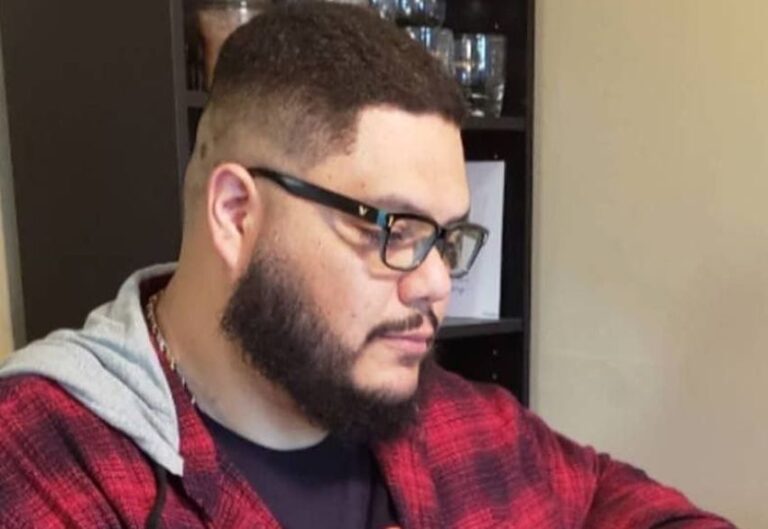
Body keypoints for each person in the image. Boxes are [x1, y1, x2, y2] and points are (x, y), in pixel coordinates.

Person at [0, 4, 734, 529]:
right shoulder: (49, 461)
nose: (437, 283)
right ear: (236, 213)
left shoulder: (444, 417)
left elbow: (607, 495)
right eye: (393, 227)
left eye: (445, 237)